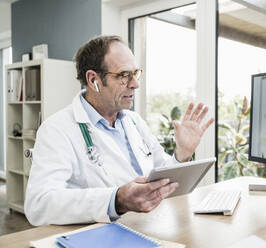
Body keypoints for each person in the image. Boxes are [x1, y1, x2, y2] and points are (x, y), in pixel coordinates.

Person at [24, 36, 214, 226]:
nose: (135, 84)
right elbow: (39, 204)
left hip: (150, 226)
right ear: (93, 80)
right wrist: (116, 200)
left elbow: (162, 175)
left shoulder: (134, 121)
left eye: (135, 74)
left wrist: (182, 154)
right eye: (124, 75)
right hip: (100, 236)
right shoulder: (57, 129)